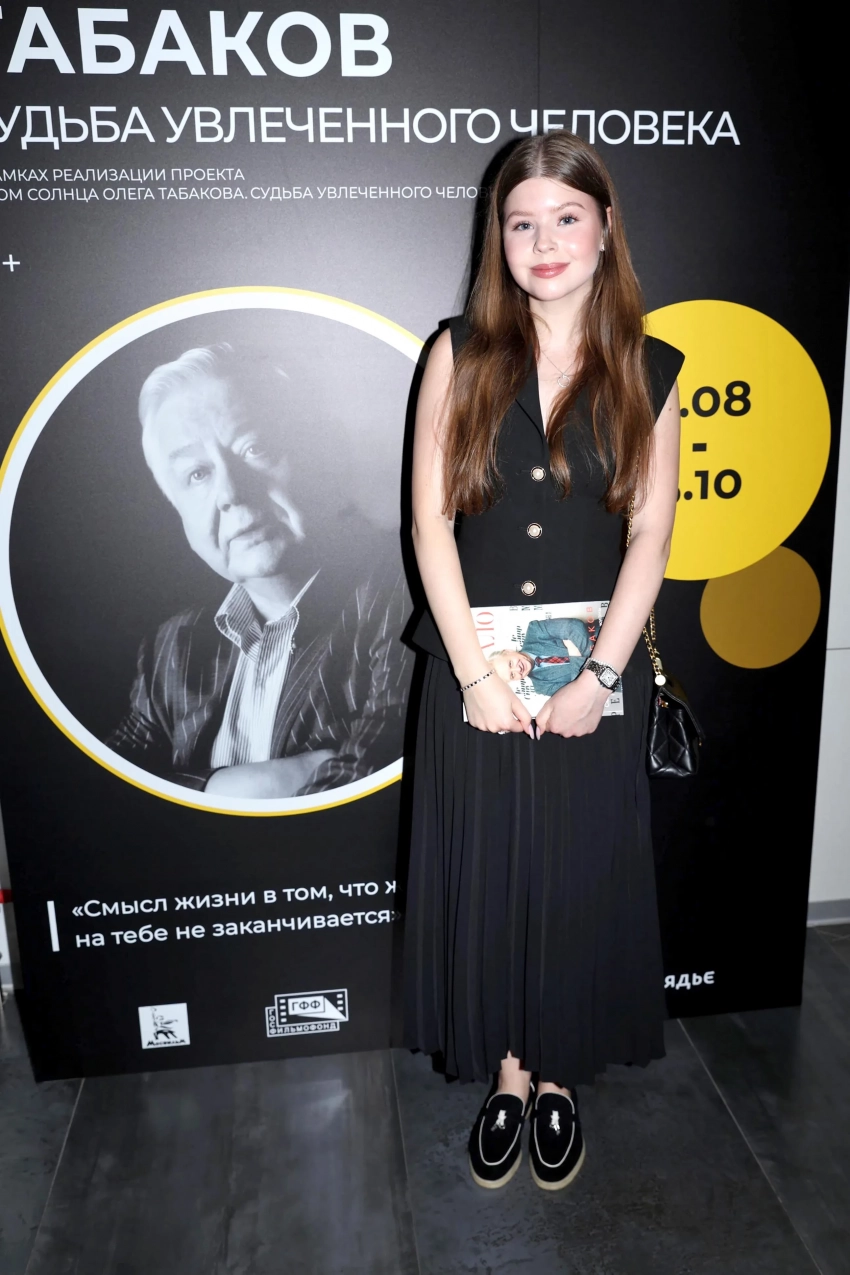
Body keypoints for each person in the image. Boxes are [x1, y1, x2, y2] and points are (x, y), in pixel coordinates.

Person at [403, 131, 683, 1191]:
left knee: (574, 876)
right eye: (521, 222)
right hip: (475, 675)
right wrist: (475, 678)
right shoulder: (458, 354)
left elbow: (650, 535)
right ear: (500, 241)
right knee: (493, 878)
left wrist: (600, 680)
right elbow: (430, 526)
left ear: (605, 229)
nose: (544, 240)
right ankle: (511, 1077)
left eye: (566, 217)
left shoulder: (649, 368)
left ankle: (559, 1075)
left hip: (591, 677)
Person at [106, 343, 413, 798]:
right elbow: (100, 793)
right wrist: (244, 786)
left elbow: (367, 790)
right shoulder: (174, 648)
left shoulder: (407, 592)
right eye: (197, 474)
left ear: (324, 452)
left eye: (255, 447)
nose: (231, 493)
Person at [487, 616, 597, 696]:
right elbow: (578, 693)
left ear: (508, 651)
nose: (517, 669)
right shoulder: (543, 687)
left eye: (510, 664)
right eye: (512, 675)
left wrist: (586, 671)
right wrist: (573, 651)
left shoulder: (535, 631)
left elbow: (573, 627)